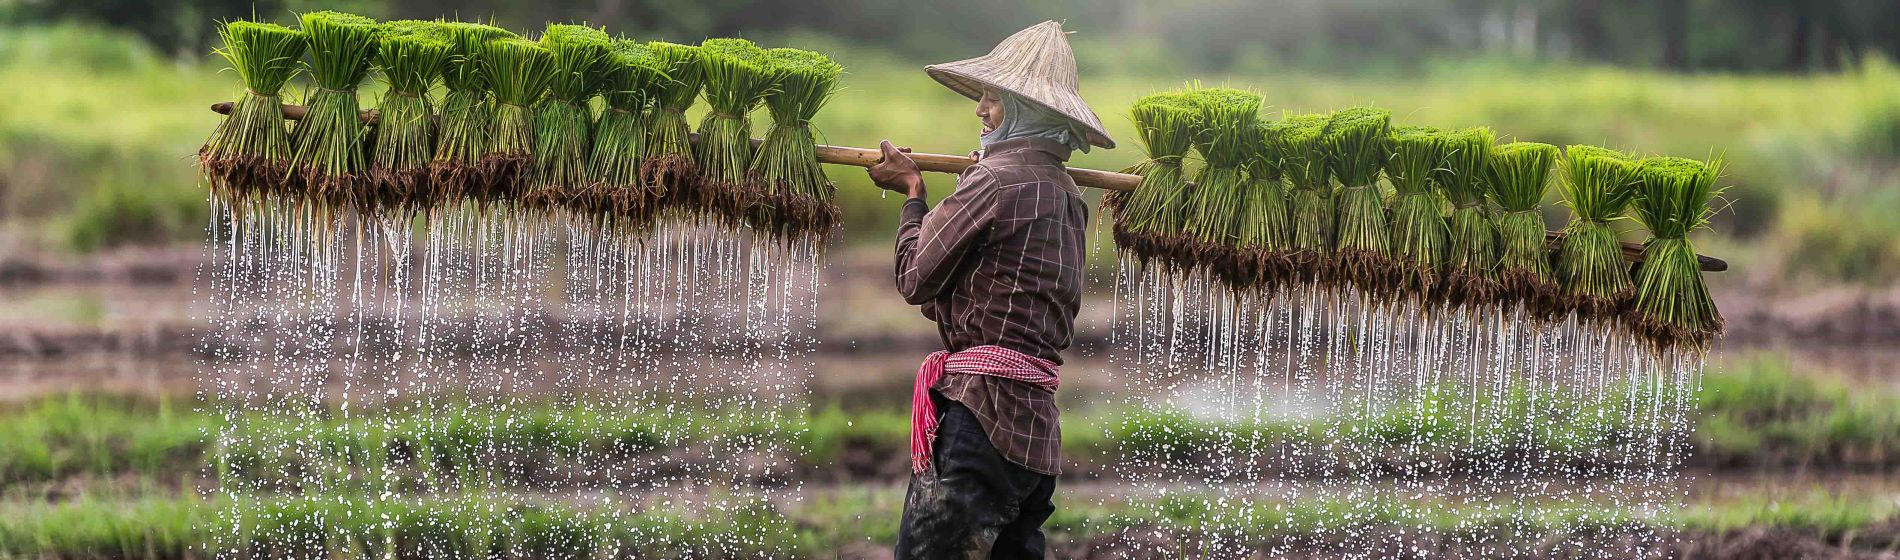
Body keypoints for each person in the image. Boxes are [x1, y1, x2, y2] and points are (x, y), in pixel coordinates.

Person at [866, 20, 1117, 559]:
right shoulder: (1068, 194)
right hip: (1034, 435)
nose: (981, 110)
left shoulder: (996, 180)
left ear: (1028, 112)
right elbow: (968, 292)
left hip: (982, 420)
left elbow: (915, 278)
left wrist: (912, 193)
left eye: (994, 100)